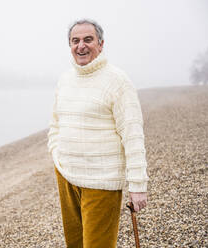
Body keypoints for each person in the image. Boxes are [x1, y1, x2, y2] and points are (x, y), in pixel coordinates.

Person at [47, 18, 149, 248]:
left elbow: (133, 135)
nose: (80, 45)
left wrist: (138, 185)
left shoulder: (118, 81)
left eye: (88, 40)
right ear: (70, 46)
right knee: (74, 244)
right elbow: (55, 124)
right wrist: (56, 153)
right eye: (75, 41)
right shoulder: (65, 80)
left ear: (101, 45)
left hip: (101, 183)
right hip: (67, 177)